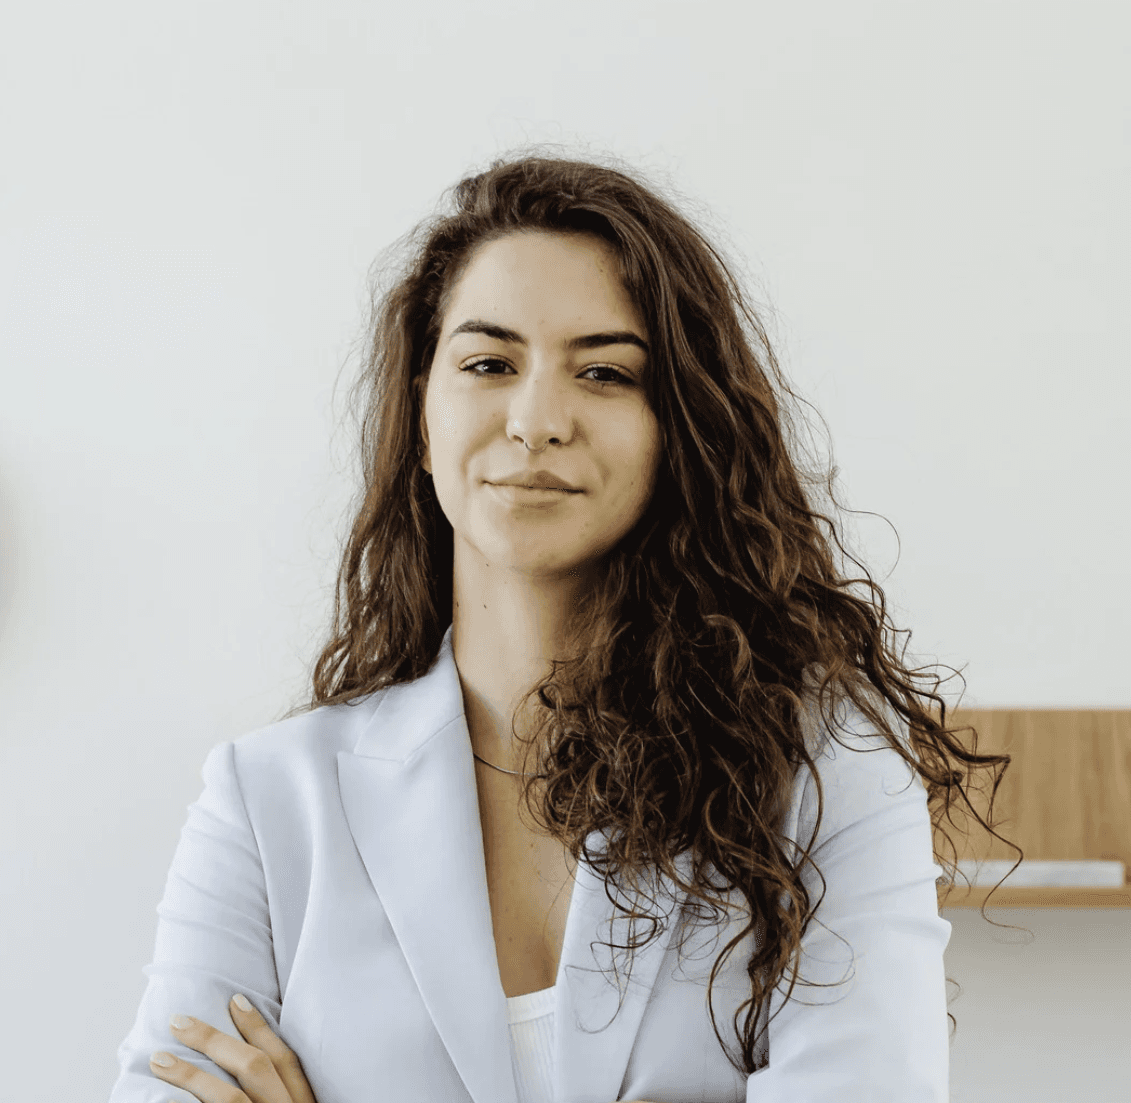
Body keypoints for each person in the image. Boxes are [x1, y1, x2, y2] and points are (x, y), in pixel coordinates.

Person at [109, 149, 1016, 1103]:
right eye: (488, 364)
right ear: (422, 416)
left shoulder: (825, 770)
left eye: (605, 373)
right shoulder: (266, 799)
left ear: (677, 427)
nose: (537, 419)